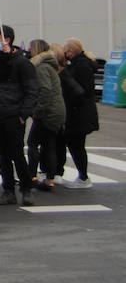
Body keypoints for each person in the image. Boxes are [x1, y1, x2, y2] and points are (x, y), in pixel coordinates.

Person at [0, 25, 39, 205]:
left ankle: (26, 188)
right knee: (2, 156)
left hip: (13, 114)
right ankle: (8, 190)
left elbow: (32, 89)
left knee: (16, 153)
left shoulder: (22, 63)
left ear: (7, 40)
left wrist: (24, 113)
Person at [59, 38, 100, 188]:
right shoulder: (84, 63)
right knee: (77, 144)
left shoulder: (80, 66)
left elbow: (80, 90)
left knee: (76, 144)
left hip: (79, 111)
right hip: (84, 111)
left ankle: (83, 177)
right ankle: (82, 176)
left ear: (70, 51)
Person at [26, 39, 65, 189]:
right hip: (57, 111)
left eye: (31, 48)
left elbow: (45, 90)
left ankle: (32, 174)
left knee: (33, 143)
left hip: (48, 112)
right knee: (49, 144)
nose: (29, 51)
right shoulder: (51, 66)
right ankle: (50, 178)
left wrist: (37, 111)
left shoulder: (41, 67)